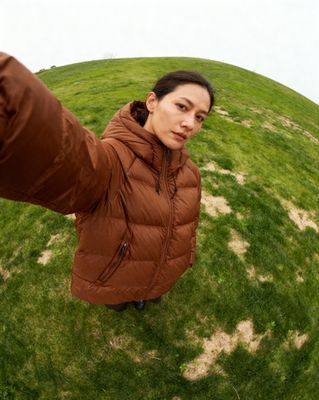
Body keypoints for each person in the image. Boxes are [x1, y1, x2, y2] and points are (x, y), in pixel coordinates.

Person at [0, 52, 214, 312]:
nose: (189, 123)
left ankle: (148, 294)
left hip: (162, 278)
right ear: (152, 102)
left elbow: (187, 227)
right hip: (114, 281)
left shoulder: (190, 173)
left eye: (200, 117)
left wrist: (185, 257)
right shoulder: (111, 159)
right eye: (182, 107)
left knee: (151, 297)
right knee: (119, 304)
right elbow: (63, 152)